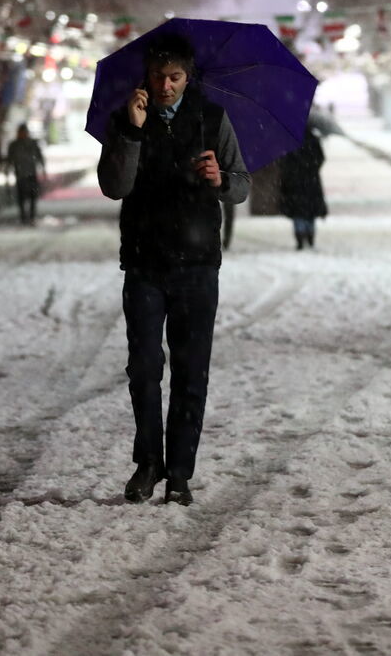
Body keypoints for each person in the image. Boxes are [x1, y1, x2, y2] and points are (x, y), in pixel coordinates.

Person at [97, 34, 250, 506]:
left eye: (175, 77)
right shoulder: (126, 118)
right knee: (143, 368)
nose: (165, 86)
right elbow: (114, 186)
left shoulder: (212, 119)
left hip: (199, 265)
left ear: (188, 77)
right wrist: (132, 131)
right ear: (147, 75)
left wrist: (219, 179)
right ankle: (148, 464)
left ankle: (179, 473)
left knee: (191, 372)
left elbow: (242, 185)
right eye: (158, 76)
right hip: (144, 262)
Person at [278, 125, 327, 250]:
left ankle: (300, 237)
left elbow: (284, 160)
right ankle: (310, 235)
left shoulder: (290, 139)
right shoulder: (313, 139)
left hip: (295, 181)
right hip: (311, 180)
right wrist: (312, 168)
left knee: (298, 210)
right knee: (309, 210)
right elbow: (321, 158)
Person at [6, 123, 46, 226]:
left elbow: (39, 157)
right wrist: (7, 172)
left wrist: (43, 170)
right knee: (21, 196)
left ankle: (31, 216)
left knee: (32, 196)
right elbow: (10, 160)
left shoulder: (32, 144)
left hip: (31, 173)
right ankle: (23, 216)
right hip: (20, 174)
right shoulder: (14, 145)